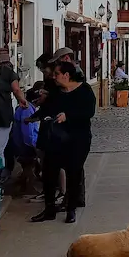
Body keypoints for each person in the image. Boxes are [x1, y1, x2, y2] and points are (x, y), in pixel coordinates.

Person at [32, 60, 96, 224]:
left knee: (74, 173)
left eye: (57, 74)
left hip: (78, 138)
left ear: (66, 75)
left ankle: (71, 209)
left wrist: (68, 116)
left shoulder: (84, 90)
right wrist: (34, 116)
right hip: (56, 138)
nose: (54, 77)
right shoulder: (55, 91)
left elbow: (88, 111)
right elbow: (47, 109)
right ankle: (49, 208)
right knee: (49, 172)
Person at [9, 84, 48, 195]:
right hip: (24, 144)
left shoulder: (28, 108)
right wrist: (34, 146)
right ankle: (29, 186)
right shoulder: (27, 110)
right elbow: (27, 133)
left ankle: (23, 185)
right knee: (30, 164)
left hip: (21, 142)